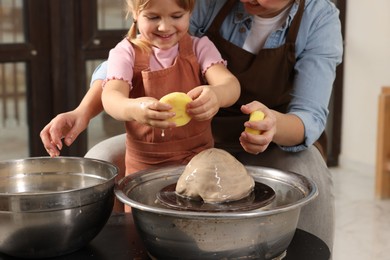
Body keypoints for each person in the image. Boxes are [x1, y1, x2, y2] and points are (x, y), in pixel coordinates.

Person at [40, 0, 343, 254]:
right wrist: (82, 112)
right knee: (102, 158)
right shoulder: (207, 2)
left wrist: (273, 127)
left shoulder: (319, 18)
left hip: (273, 138)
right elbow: (124, 65)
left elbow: (309, 116)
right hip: (185, 134)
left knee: (309, 180)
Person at [100, 0, 240, 175]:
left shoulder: (200, 47)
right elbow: (111, 97)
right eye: (153, 17)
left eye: (176, 16)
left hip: (200, 162)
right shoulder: (125, 53)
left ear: (190, 12)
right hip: (145, 167)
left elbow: (231, 85)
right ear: (135, 13)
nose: (165, 27)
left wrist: (217, 95)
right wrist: (135, 109)